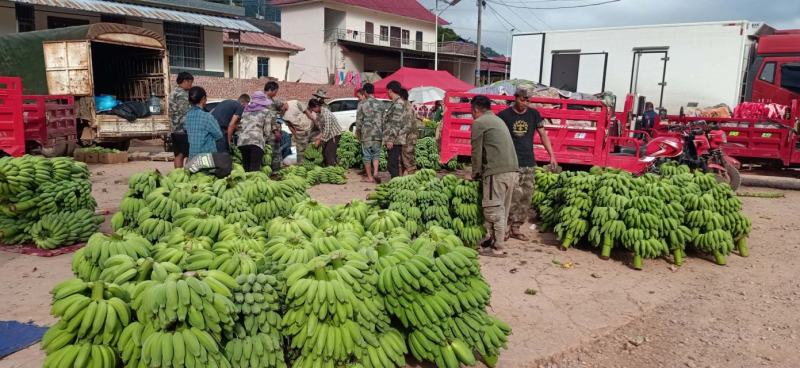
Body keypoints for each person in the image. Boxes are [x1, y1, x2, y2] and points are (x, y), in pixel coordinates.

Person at [498, 89, 558, 241]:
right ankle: (504, 228)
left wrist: (551, 155)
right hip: (511, 163)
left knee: (526, 197)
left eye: (528, 100)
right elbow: (496, 137)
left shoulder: (534, 114)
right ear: (516, 98)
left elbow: (543, 135)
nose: (526, 103)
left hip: (528, 162)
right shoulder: (505, 116)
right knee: (511, 196)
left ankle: (516, 228)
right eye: (523, 99)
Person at [470, 95, 519, 257]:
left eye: (472, 111)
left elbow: (476, 151)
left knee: (492, 210)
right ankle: (494, 240)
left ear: (476, 110)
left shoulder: (479, 123)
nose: (472, 114)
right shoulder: (497, 120)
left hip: (496, 172)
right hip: (512, 171)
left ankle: (498, 248)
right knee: (502, 209)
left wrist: (475, 173)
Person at [237, 91, 283, 172]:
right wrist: (264, 140)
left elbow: (241, 126)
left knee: (246, 168)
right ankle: (253, 184)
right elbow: (267, 130)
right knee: (254, 169)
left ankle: (246, 184)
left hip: (242, 142)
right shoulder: (266, 112)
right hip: (256, 142)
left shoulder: (246, 110)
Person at [355, 83, 383, 183]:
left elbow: (359, 121)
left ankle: (370, 177)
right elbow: (383, 119)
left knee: (366, 155)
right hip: (378, 133)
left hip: (366, 134)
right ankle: (375, 172)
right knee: (376, 155)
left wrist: (358, 133)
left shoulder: (362, 104)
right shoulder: (380, 104)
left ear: (365, 92)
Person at [185, 86, 223, 159]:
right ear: (203, 99)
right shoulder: (207, 116)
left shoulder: (188, 116)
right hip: (207, 158)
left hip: (192, 157)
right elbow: (219, 135)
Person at [168, 72, 193, 168]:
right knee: (187, 154)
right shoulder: (182, 94)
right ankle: (185, 176)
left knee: (178, 154)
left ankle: (177, 175)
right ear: (185, 81)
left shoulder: (174, 92)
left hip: (175, 129)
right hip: (183, 129)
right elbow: (186, 111)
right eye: (190, 82)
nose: (191, 85)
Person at [382, 81, 405, 178]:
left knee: (392, 164)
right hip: (394, 139)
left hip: (395, 140)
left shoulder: (398, 104)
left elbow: (396, 123)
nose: (387, 93)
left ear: (391, 90)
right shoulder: (395, 103)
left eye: (387, 91)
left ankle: (395, 184)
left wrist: (390, 139)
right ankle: (395, 183)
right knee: (392, 164)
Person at [309, 99, 342, 166]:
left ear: (316, 106)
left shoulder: (326, 114)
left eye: (313, 109)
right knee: (324, 152)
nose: (313, 111)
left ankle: (331, 170)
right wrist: (319, 136)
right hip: (328, 134)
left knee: (328, 153)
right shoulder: (320, 113)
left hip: (334, 135)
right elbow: (322, 127)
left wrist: (320, 140)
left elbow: (327, 130)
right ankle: (331, 166)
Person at [283, 100, 314, 164]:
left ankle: (311, 163)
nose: (282, 110)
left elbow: (306, 111)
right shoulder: (283, 113)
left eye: (282, 108)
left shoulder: (295, 103)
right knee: (300, 151)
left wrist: (313, 119)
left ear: (284, 104)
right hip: (299, 132)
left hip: (309, 127)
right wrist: (296, 135)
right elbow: (290, 126)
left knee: (311, 148)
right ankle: (301, 164)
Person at [398, 88, 417, 175]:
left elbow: (408, 126)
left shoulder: (408, 108)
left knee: (408, 160)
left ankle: (411, 180)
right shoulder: (404, 106)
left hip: (408, 138)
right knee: (403, 159)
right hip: (406, 137)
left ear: (401, 97)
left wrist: (398, 133)